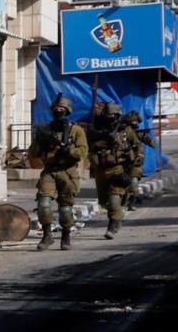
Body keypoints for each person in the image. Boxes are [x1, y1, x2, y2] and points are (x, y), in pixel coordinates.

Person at [27, 95, 88, 251]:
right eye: (55, 109)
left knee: (65, 209)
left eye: (61, 109)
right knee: (43, 204)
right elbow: (32, 153)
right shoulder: (46, 130)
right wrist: (41, 142)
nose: (58, 112)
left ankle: (66, 236)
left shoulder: (76, 130)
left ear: (67, 111)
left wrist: (68, 151)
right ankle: (47, 235)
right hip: (49, 171)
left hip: (68, 172)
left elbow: (82, 152)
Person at [87, 102, 140, 240]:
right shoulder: (98, 130)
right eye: (108, 115)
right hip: (101, 171)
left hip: (117, 169)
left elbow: (137, 147)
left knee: (114, 199)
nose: (111, 117)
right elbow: (88, 147)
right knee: (105, 202)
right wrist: (97, 144)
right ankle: (116, 217)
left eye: (113, 115)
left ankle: (113, 224)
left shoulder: (125, 130)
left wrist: (133, 158)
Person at [122, 110, 155, 211]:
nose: (135, 123)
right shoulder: (124, 132)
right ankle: (123, 203)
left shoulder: (137, 134)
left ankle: (130, 204)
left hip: (134, 164)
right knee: (124, 187)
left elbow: (153, 144)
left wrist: (145, 137)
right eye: (133, 122)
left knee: (134, 185)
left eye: (136, 122)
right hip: (122, 163)